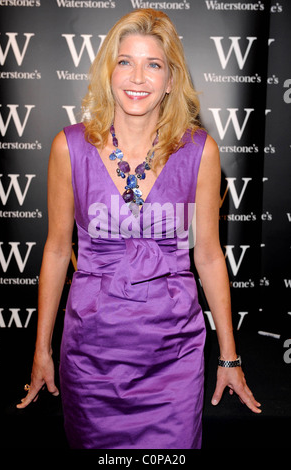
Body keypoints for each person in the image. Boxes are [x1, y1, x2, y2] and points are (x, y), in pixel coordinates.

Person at [17, 8, 261, 448]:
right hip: (91, 355)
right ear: (109, 71)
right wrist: (41, 351)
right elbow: (56, 251)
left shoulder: (199, 152)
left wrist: (229, 357)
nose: (137, 77)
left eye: (154, 64)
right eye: (125, 61)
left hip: (174, 358)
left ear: (171, 80)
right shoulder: (68, 147)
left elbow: (207, 255)